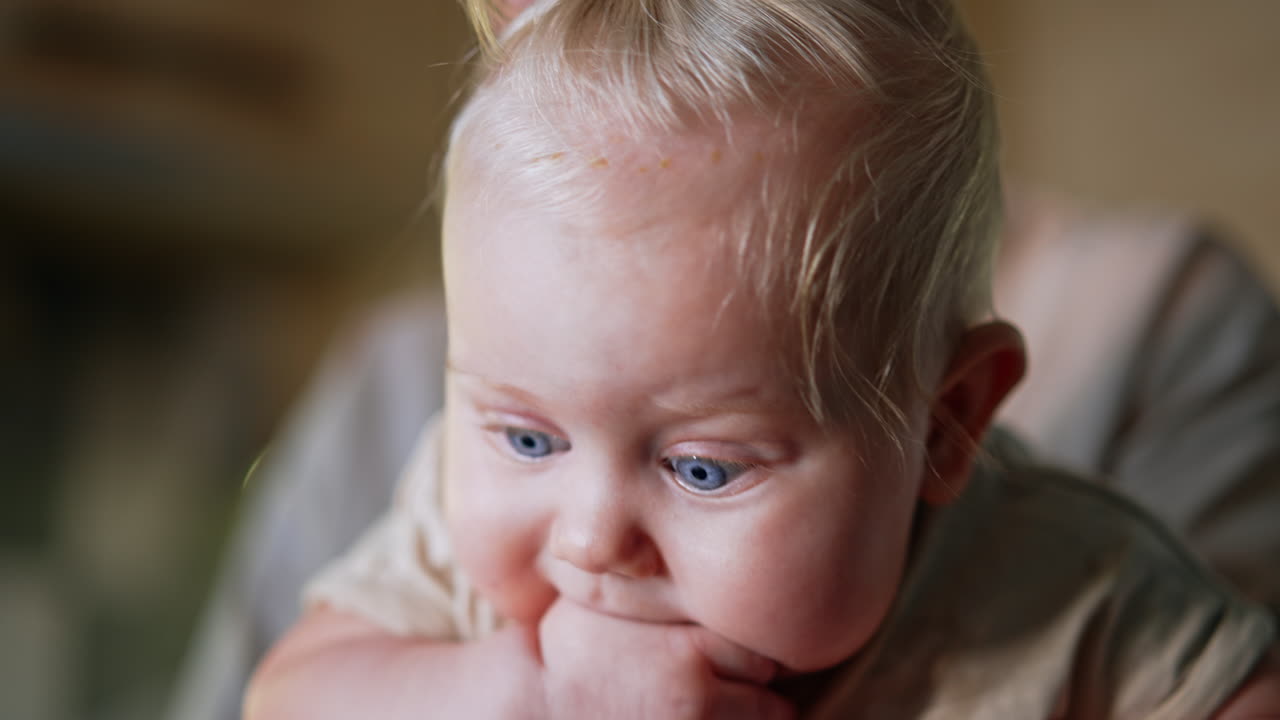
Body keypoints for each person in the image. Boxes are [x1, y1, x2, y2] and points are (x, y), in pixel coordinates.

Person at [241, 0, 1279, 717]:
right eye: (524, 436)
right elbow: (285, 698)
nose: (593, 537)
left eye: (702, 467)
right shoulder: (439, 508)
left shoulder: (1064, 582)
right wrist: (528, 696)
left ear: (945, 421)